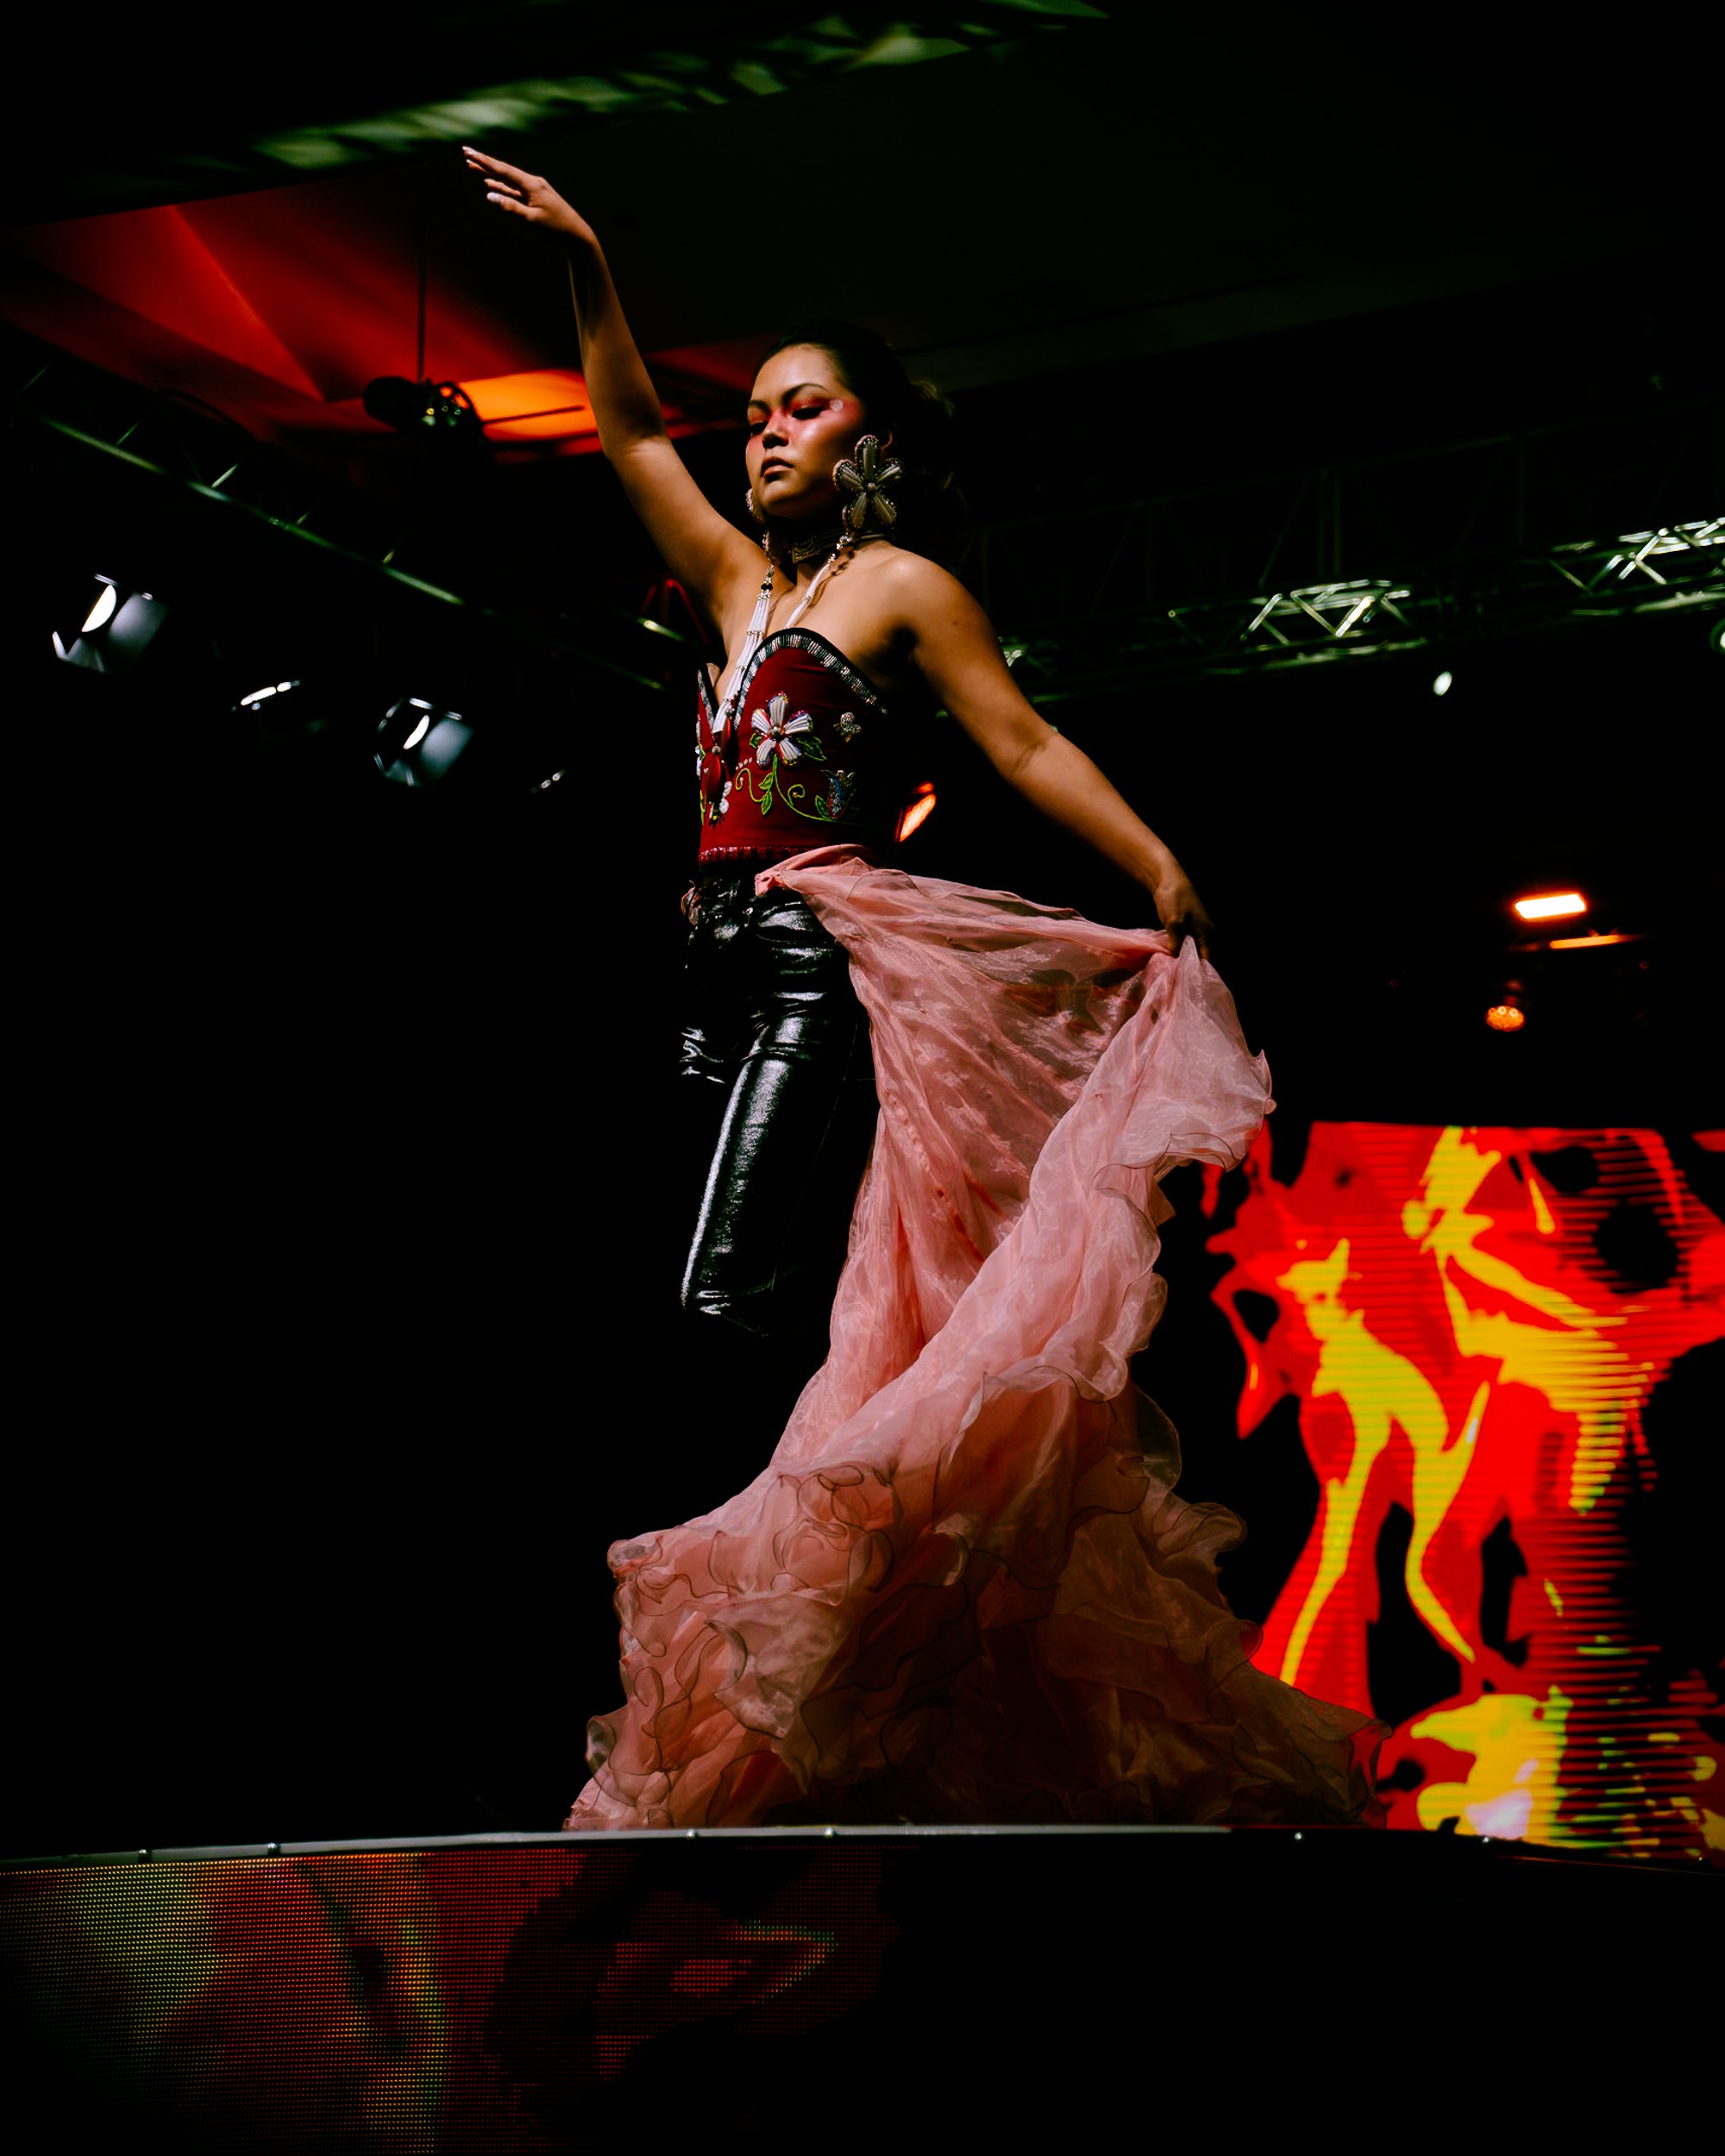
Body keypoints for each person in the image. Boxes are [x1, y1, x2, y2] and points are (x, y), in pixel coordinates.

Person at [464, 146, 1382, 1829]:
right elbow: (626, 433)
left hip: (816, 958)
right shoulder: (739, 586)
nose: (764, 433)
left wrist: (1158, 862)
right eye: (755, 412)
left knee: (724, 1297)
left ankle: (837, 1534)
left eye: (802, 409)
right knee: (704, 1302)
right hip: (702, 970)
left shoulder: (901, 589)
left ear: (868, 440)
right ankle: (829, 1560)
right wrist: (588, 259)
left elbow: (1018, 739)